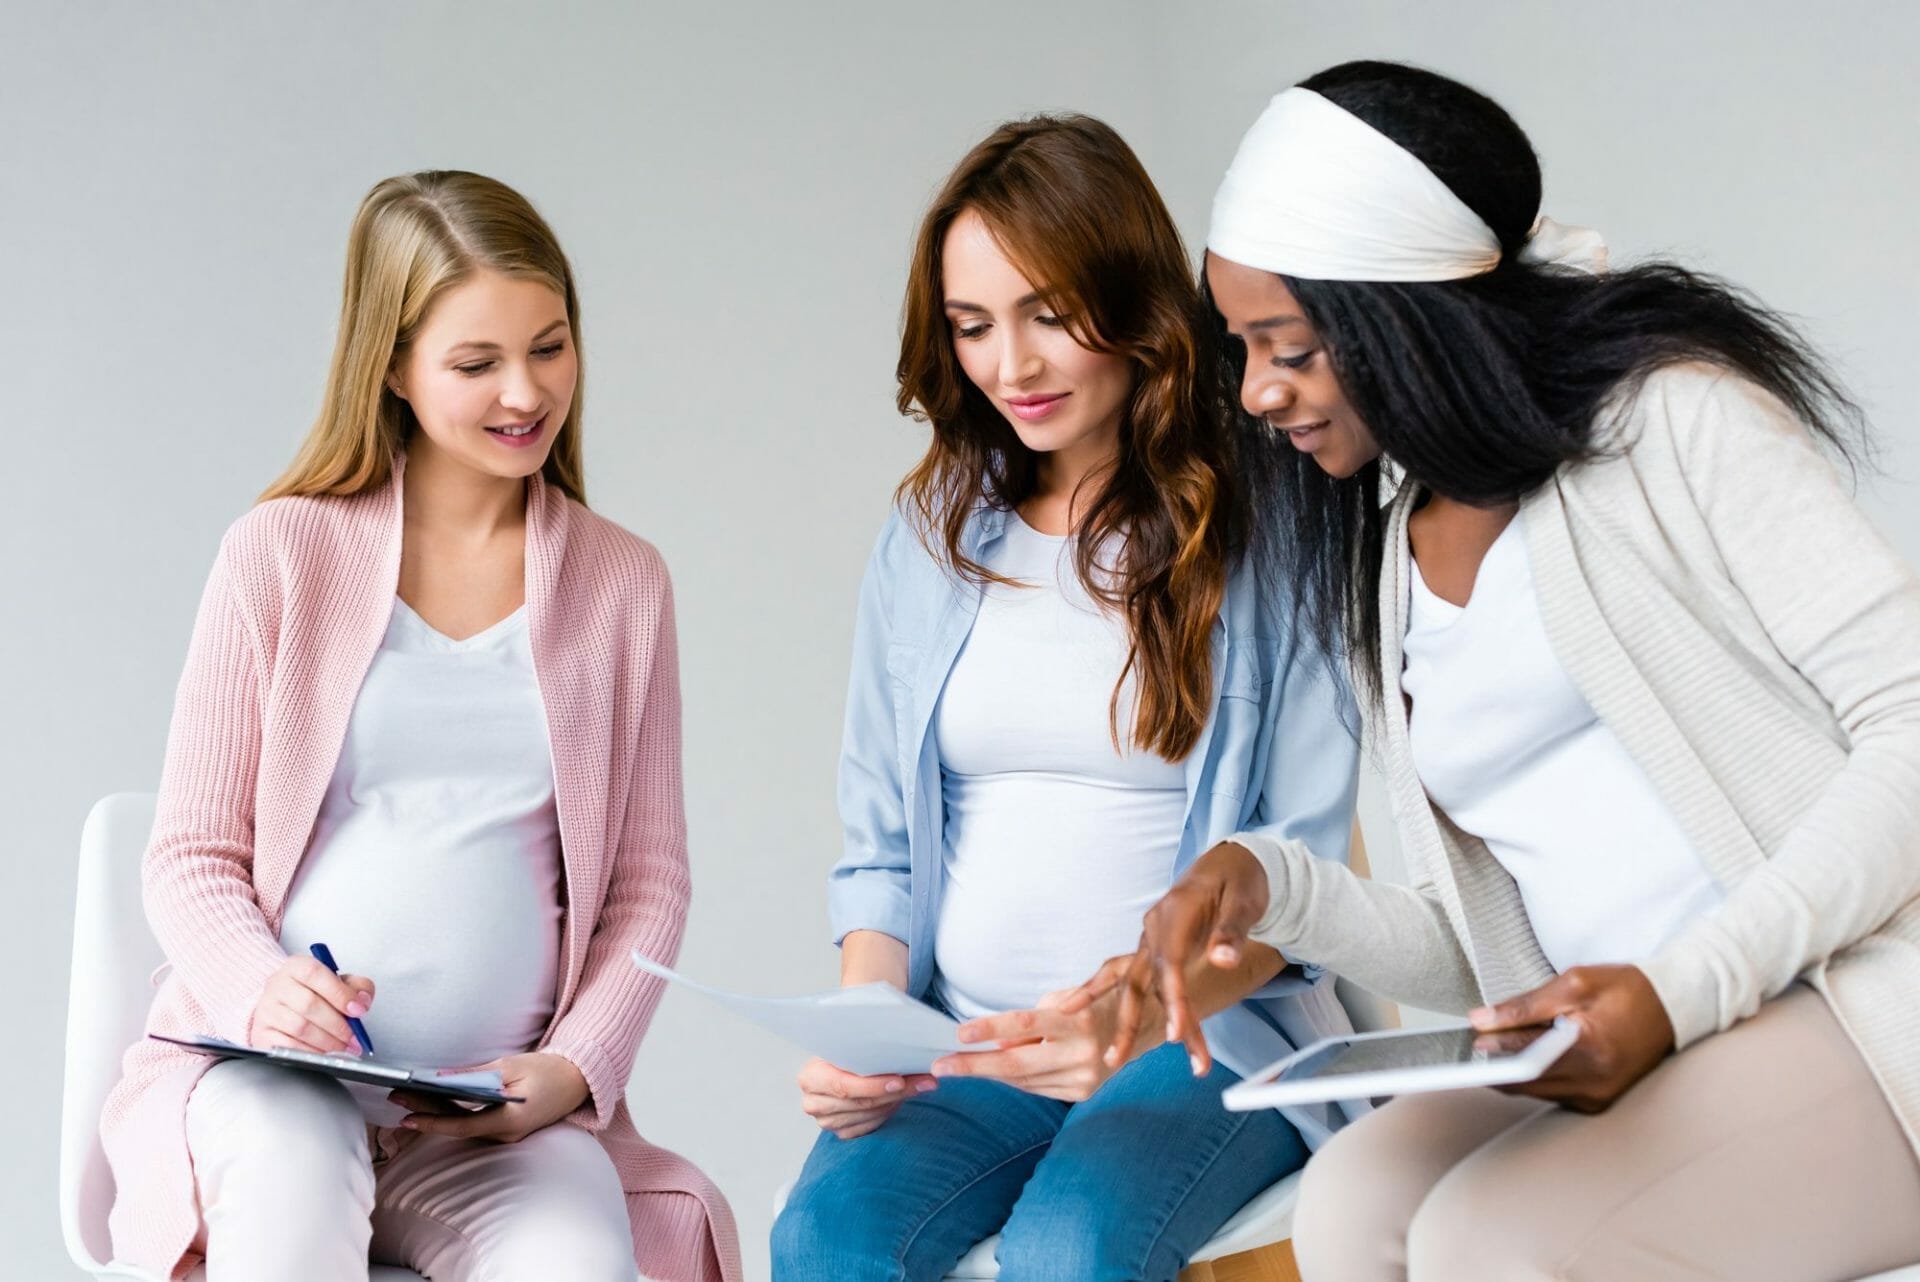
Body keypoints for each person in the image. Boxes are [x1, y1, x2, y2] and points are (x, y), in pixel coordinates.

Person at [1074, 60, 1920, 1282]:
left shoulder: (1675, 421)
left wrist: (1677, 995)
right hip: (1625, 1039)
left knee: (1492, 1239)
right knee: (1355, 1196)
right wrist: (1269, 885)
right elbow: (1487, 945)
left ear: (1406, 317)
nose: (1258, 393)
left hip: (1843, 1005)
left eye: (1293, 347)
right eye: (1243, 348)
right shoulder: (1388, 544)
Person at [98, 170, 738, 1282]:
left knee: (583, 1264)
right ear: (391, 366)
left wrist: (576, 1067)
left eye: (548, 345)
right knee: (288, 1202)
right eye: (476, 362)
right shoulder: (280, 555)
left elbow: (651, 884)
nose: (525, 391)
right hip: (281, 1083)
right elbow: (192, 857)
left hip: (497, 1121)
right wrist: (265, 991)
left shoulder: (624, 585)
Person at [769, 114, 1361, 1282]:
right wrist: (863, 1033)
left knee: (1071, 1246)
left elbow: (1296, 867)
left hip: (1199, 1040)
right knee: (824, 1238)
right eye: (973, 326)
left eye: (1048, 315)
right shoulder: (930, 536)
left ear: (1135, 302)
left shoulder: (1268, 526)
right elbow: (881, 843)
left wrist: (1141, 1006)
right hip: (969, 1040)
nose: (1011, 367)